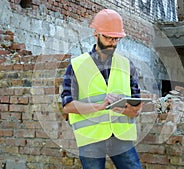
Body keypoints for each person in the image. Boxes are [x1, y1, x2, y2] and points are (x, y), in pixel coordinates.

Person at [61, 9, 143, 169]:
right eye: (107, 37)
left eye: (116, 39)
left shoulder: (126, 65)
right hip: (91, 138)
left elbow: (137, 107)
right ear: (96, 34)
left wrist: (128, 110)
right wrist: (99, 106)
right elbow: (67, 105)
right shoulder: (77, 66)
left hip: (121, 136)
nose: (112, 43)